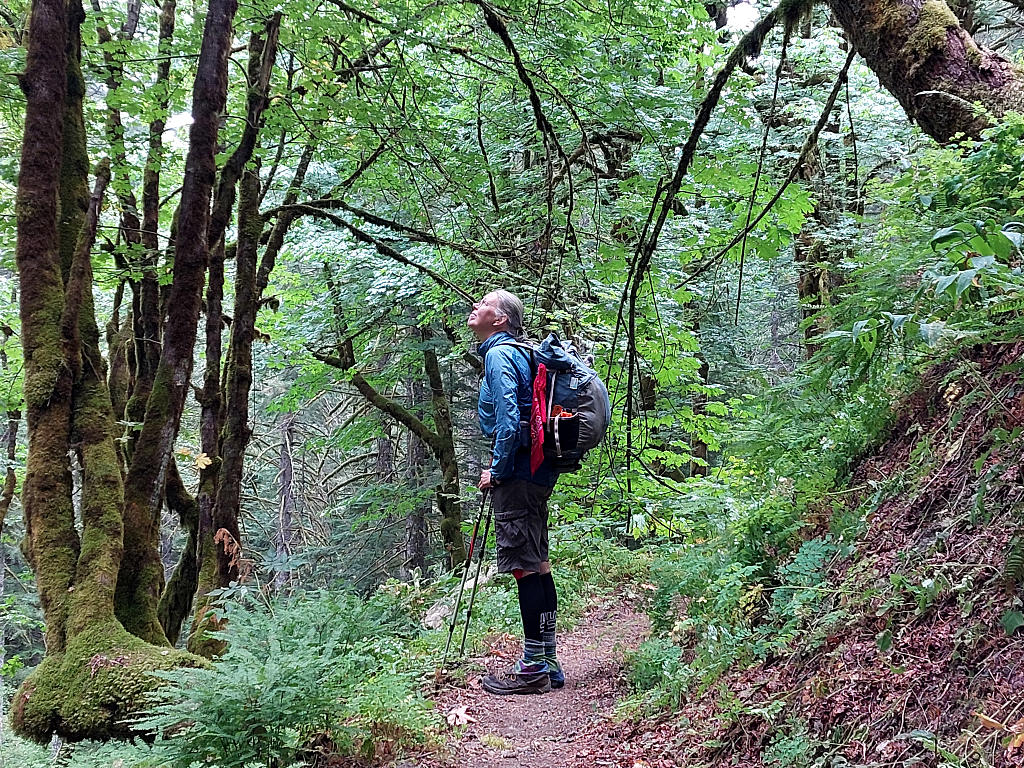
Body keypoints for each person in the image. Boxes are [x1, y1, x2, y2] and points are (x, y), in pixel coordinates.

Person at [467, 289, 563, 695]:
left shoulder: (498, 355)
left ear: (501, 319)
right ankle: (548, 658)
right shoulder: (522, 351)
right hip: (539, 468)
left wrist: (496, 470)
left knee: (524, 564)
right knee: (539, 562)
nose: (475, 307)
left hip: (518, 471)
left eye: (484, 304)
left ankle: (532, 669)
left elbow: (508, 422)